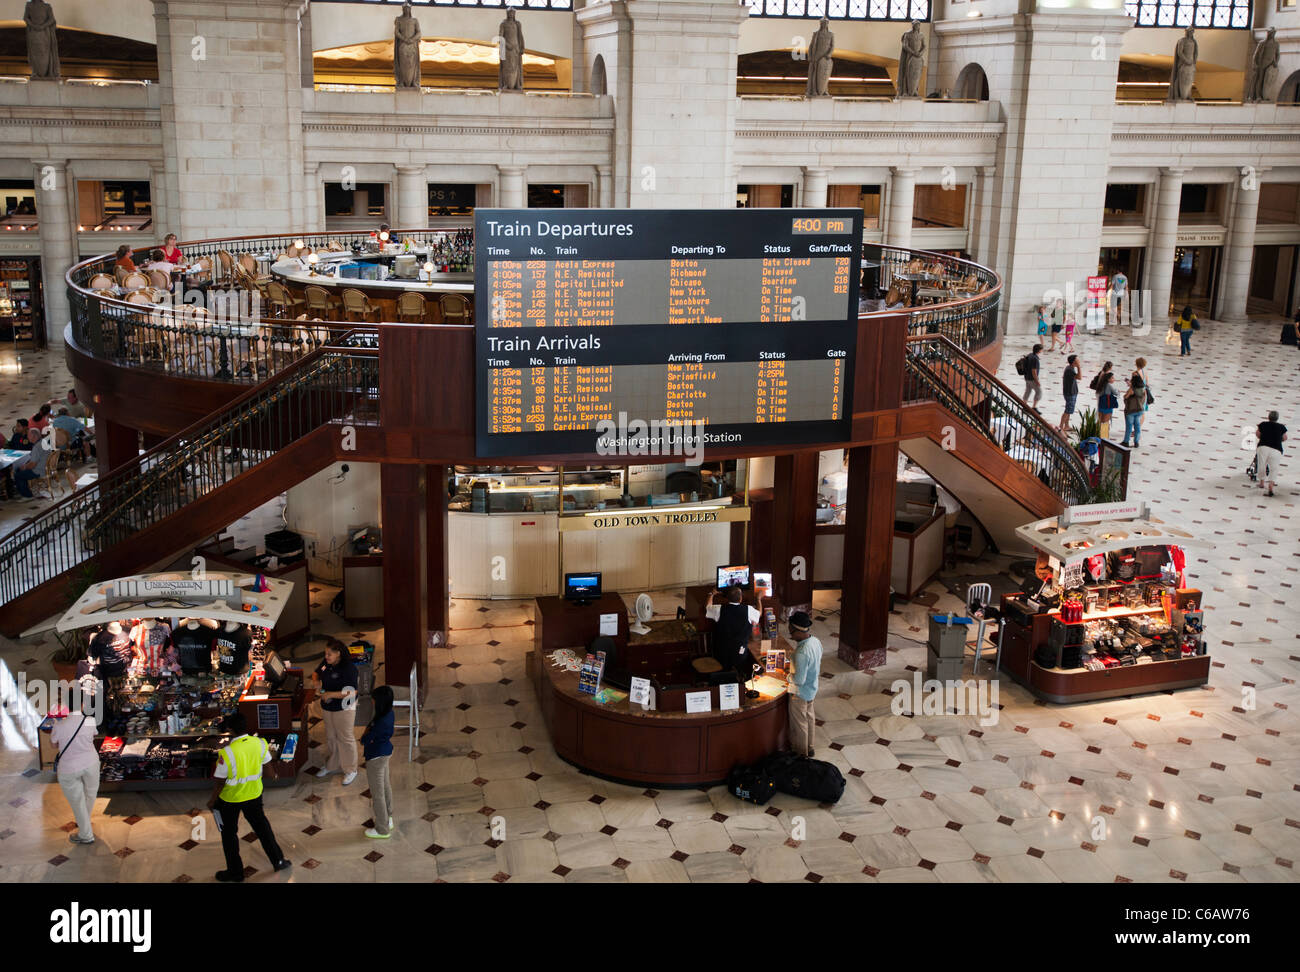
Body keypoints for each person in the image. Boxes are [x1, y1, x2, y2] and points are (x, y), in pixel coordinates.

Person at [206, 712, 290, 882]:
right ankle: (278, 860)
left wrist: (213, 800)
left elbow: (220, 782)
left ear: (230, 729)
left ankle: (235, 873)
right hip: (254, 794)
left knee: (229, 835)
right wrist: (273, 775)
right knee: (263, 828)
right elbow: (267, 766)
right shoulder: (259, 743)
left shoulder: (226, 753)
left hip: (230, 799)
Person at [51, 693, 100, 845]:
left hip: (69, 768)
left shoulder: (59, 725)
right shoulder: (90, 721)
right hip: (91, 763)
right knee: (90, 795)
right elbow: (93, 736)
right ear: (82, 704)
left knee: (77, 801)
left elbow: (54, 745)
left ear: (65, 705)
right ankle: (84, 824)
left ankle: (86, 834)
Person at [313, 641, 359, 784]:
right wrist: (317, 684)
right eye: (325, 654)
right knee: (331, 736)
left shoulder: (349, 668)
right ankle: (332, 765)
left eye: (329, 654)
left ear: (338, 653)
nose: (326, 656)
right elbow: (316, 673)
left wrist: (331, 694)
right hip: (328, 706)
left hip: (345, 707)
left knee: (345, 737)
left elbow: (352, 691)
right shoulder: (327, 662)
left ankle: (351, 769)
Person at [705, 585, 761, 697]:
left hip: (721, 654)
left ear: (727, 598)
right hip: (740, 655)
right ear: (741, 598)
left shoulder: (719, 609)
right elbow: (759, 614)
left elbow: (708, 607)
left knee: (724, 671)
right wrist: (759, 599)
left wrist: (711, 594)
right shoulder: (748, 610)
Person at [784, 612, 823, 758]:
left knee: (800, 725)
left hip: (799, 693)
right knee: (810, 717)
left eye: (791, 630)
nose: (790, 634)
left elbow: (799, 680)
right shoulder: (815, 641)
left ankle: (801, 754)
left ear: (798, 631)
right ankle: (810, 747)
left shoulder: (801, 652)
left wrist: (786, 675)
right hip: (812, 688)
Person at [361, 685, 396, 839]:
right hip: (386, 752)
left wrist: (365, 735)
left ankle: (382, 829)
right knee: (386, 785)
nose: (372, 702)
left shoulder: (380, 721)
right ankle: (389, 817)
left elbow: (365, 739)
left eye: (374, 699)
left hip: (376, 757)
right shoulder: (390, 713)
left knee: (377, 794)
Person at [13, 426, 53, 498]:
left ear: (34, 436)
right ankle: (22, 489)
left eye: (28, 435)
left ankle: (27, 495)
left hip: (39, 470)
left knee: (18, 475)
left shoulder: (36, 447)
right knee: (20, 470)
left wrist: (24, 466)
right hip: (47, 467)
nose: (27, 437)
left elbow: (33, 465)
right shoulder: (44, 441)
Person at [1255, 410, 1288, 497]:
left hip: (1263, 447)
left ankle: (1261, 482)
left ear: (1268, 417)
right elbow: (1285, 438)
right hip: (1276, 449)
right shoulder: (1281, 427)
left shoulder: (1263, 424)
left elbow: (1257, 434)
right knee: (1274, 468)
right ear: (1277, 418)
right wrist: (1277, 439)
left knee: (1262, 464)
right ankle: (1271, 485)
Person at [1120, 373, 1145, 448]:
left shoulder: (1132, 389)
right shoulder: (1143, 389)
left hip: (1131, 411)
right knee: (1137, 426)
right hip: (1140, 410)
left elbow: (1125, 397)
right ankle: (1136, 442)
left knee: (1129, 427)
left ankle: (1126, 441)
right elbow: (1144, 399)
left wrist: (1126, 395)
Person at [1060, 354, 1081, 433]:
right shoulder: (1070, 370)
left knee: (1069, 410)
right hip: (1070, 393)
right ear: (1073, 362)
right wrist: (1079, 367)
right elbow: (1079, 377)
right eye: (1077, 360)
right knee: (1067, 410)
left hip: (1072, 392)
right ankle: (1061, 426)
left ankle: (1066, 425)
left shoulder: (1070, 368)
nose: (1078, 361)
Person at [1096, 370, 1118, 440]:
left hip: (1101, 406)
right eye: (1112, 378)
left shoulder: (1101, 384)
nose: (1113, 379)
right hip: (1107, 406)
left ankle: (1099, 436)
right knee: (1105, 423)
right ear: (1108, 379)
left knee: (1101, 421)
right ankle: (1104, 438)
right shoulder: (1109, 385)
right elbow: (1116, 393)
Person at [1022, 343, 1043, 409]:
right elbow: (1034, 371)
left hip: (1027, 377)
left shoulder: (1030, 355)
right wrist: (1037, 381)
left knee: (1028, 391)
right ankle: (1034, 407)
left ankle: (1024, 405)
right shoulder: (1035, 359)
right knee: (1039, 392)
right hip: (1032, 379)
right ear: (1039, 350)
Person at [1134, 357, 1152, 428]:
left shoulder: (1135, 373)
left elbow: (1133, 385)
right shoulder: (1145, 373)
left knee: (1135, 412)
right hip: (1144, 394)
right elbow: (1147, 384)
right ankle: (1138, 428)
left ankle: (1136, 428)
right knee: (1142, 412)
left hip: (1137, 394)